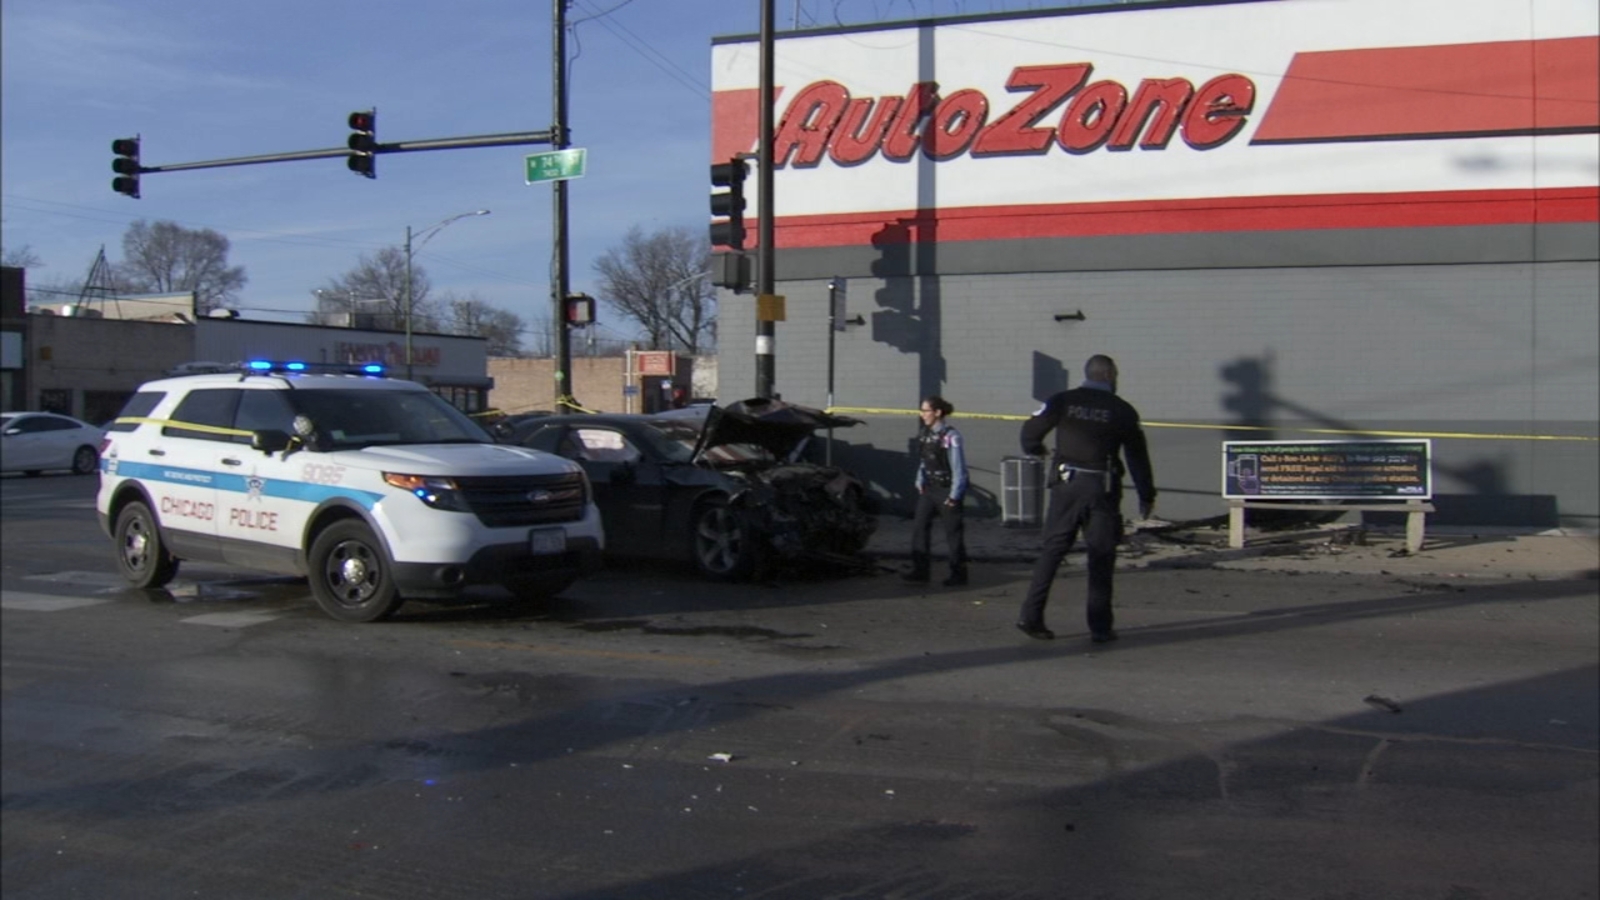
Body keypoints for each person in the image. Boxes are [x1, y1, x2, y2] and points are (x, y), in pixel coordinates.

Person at [1015, 354, 1156, 642]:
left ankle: (1031, 616)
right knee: (1101, 557)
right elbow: (1137, 456)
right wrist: (1146, 494)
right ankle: (1100, 627)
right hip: (1101, 488)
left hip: (1066, 485)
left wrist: (1035, 449)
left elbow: (1031, 431)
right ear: (1108, 375)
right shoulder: (1122, 409)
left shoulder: (1062, 400)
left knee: (1052, 550)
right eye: (1115, 374)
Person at [905, 395, 970, 587]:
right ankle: (920, 570)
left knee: (953, 533)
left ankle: (959, 573)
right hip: (929, 489)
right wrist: (920, 479)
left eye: (925, 411)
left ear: (937, 412)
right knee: (920, 527)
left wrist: (954, 495)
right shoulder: (926, 434)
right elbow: (924, 460)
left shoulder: (951, 436)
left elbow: (959, 468)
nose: (922, 414)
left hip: (946, 490)